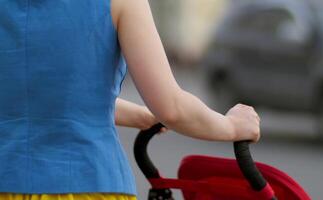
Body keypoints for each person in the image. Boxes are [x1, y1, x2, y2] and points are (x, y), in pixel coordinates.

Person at [0, 0, 260, 200]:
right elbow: (172, 108)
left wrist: (136, 114)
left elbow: (32, 97)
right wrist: (233, 126)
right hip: (89, 184)